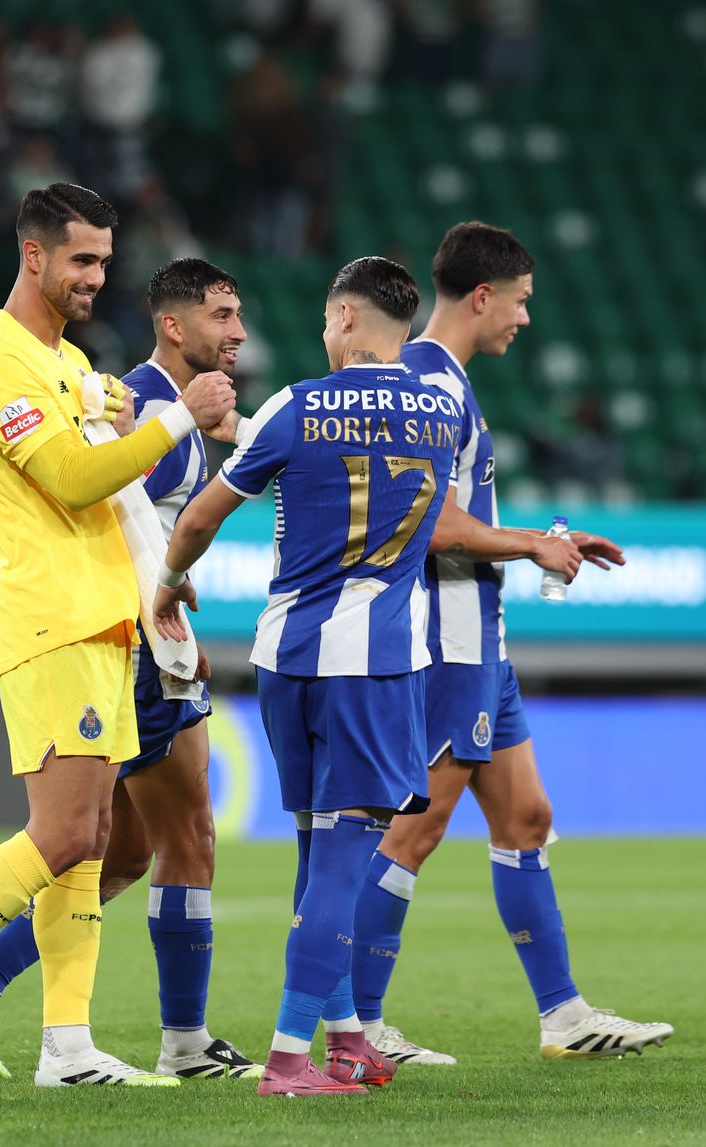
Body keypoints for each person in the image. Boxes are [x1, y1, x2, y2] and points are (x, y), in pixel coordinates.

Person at [152, 256, 581, 1098]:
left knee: (319, 857)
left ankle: (346, 1037)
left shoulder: (292, 404)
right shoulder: (443, 411)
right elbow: (447, 528)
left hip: (285, 658)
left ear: (345, 319)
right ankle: (288, 1057)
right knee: (343, 866)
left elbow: (202, 514)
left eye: (323, 320)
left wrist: (168, 589)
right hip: (378, 661)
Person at [0, 183, 235, 1092]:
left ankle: (68, 1045)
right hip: (49, 617)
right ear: (33, 256)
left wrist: (158, 599)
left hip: (106, 621)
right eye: (81, 260)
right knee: (65, 830)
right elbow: (70, 476)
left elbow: (111, 454)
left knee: (96, 835)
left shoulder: (66, 365)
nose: (97, 277)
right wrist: (178, 413)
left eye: (104, 260)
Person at [350, 221, 675, 1064]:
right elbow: (422, 523)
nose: (526, 319)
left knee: (527, 817)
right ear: (484, 296)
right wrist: (532, 544)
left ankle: (564, 1018)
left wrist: (539, 536)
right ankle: (359, 1022)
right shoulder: (426, 385)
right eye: (522, 301)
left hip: (483, 643)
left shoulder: (449, 382)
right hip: (451, 643)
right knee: (413, 832)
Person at [0, 258, 262, 1082]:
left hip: (147, 634)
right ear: (175, 325)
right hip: (120, 637)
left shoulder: (134, 396)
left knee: (115, 849)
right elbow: (102, 509)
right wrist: (167, 622)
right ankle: (180, 1040)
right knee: (170, 837)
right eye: (222, 316)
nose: (238, 333)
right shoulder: (138, 405)